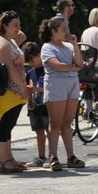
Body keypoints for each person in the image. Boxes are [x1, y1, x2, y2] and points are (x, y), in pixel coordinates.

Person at [0, 12, 31, 172]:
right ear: (5, 26)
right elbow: (8, 68)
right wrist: (23, 86)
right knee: (5, 125)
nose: (18, 28)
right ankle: (4, 160)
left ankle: (8, 157)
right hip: (7, 90)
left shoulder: (9, 41)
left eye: (19, 24)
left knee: (8, 124)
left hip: (13, 90)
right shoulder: (1, 43)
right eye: (15, 25)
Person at [39, 15, 85, 170]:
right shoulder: (47, 47)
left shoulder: (69, 46)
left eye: (67, 29)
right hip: (56, 83)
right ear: (53, 30)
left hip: (72, 83)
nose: (66, 32)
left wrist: (75, 45)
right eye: (63, 29)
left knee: (67, 122)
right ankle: (53, 156)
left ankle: (71, 156)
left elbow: (80, 62)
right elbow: (58, 66)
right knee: (56, 123)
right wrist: (74, 67)